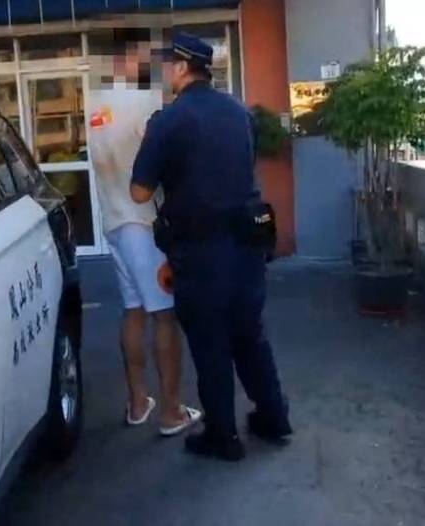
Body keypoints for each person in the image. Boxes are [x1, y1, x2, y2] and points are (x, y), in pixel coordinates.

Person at [130, 32, 292, 461]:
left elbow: (140, 192)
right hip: (248, 244)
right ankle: (274, 417)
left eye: (166, 64)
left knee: (210, 342)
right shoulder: (240, 112)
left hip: (201, 251)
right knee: (250, 334)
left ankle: (223, 436)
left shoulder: (168, 121)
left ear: (182, 67)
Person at [87, 28, 201, 436]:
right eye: (147, 56)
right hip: (145, 224)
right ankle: (171, 412)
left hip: (115, 223)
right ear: (129, 56)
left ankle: (138, 403)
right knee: (164, 316)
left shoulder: (95, 106)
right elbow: (167, 158)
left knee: (133, 312)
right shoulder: (146, 102)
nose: (154, 65)